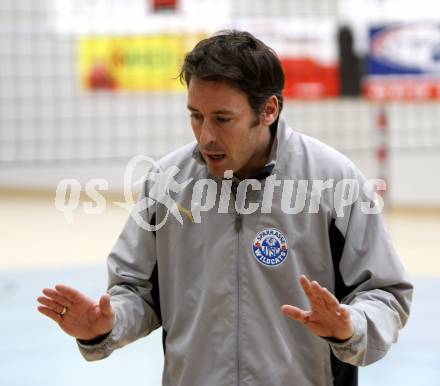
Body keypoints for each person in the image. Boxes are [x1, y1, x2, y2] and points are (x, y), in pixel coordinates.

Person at [37, 30, 413, 386]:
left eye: (222, 119)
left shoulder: (335, 181)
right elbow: (136, 291)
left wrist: (352, 326)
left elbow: (386, 294)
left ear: (268, 110)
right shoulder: (167, 182)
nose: (206, 137)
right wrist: (107, 324)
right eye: (195, 116)